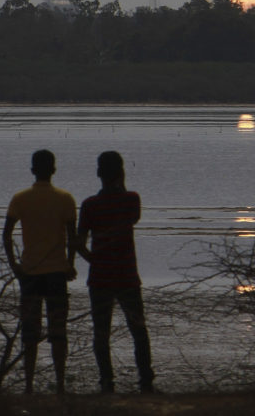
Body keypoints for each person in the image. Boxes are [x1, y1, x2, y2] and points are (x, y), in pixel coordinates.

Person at [77, 151, 155, 393]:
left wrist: (94, 260)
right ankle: (145, 381)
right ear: (121, 173)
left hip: (100, 277)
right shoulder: (131, 200)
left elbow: (79, 242)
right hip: (127, 276)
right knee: (138, 329)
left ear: (99, 173)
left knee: (101, 332)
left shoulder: (90, 205)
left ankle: (107, 381)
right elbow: (131, 218)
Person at [2, 149, 78, 394]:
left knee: (30, 331)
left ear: (33, 170)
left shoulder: (20, 198)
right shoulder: (65, 198)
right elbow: (72, 237)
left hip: (30, 272)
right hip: (56, 271)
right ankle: (60, 382)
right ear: (53, 170)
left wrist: (14, 264)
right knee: (58, 329)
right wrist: (69, 263)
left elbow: (6, 233)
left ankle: (28, 385)